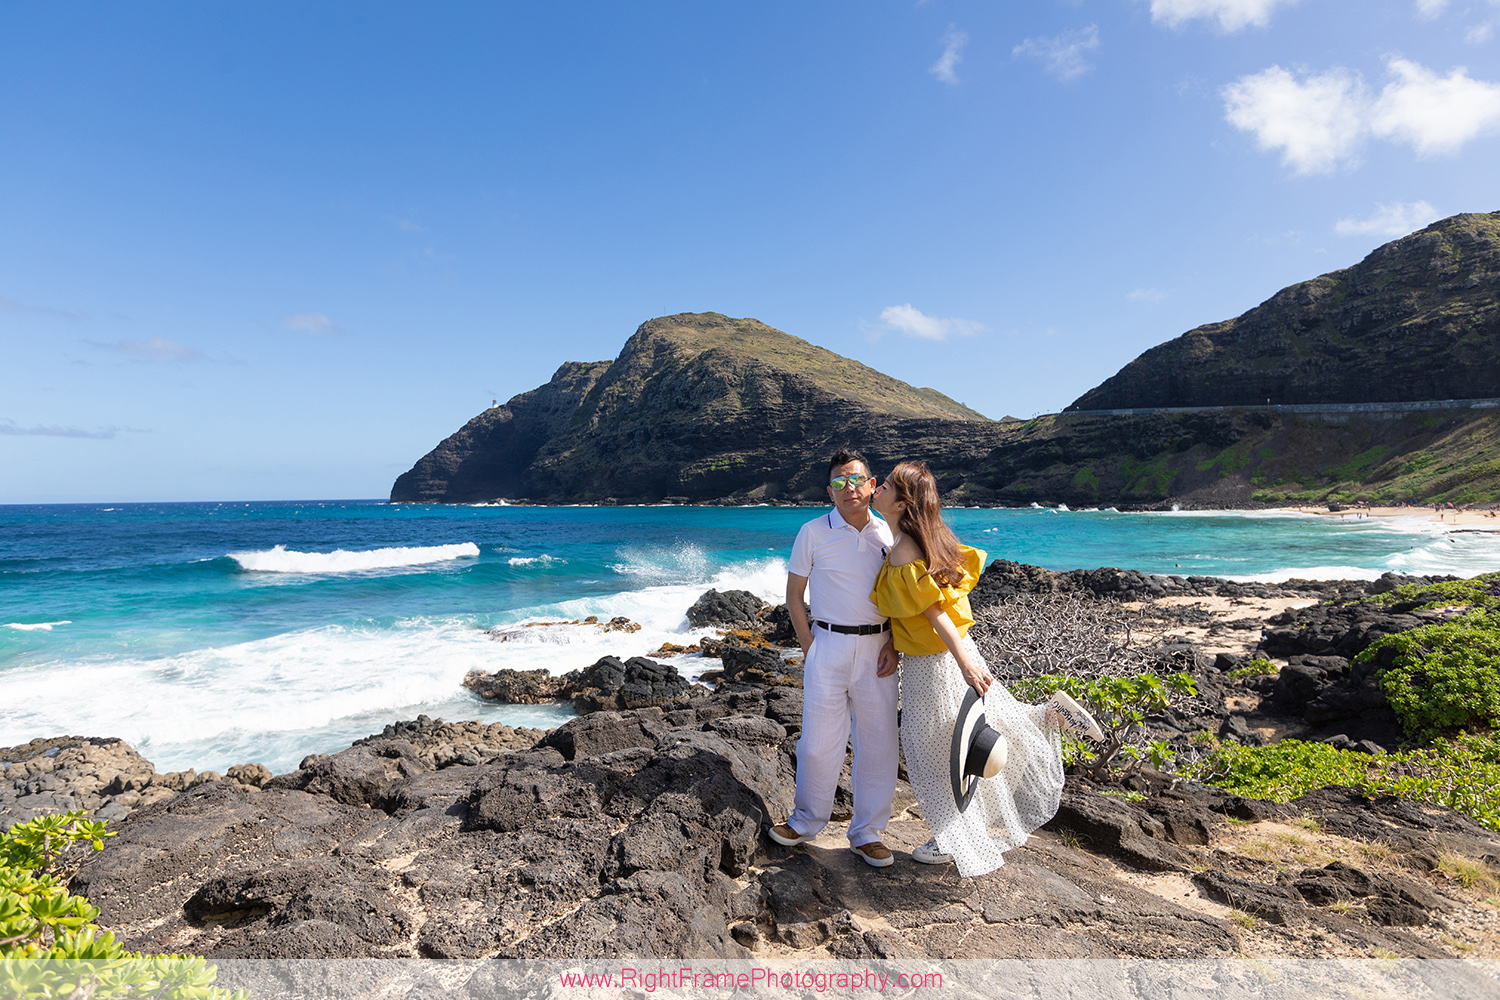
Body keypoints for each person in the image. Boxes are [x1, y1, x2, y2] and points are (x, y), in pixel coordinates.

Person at [870, 461, 1101, 877]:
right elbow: (913, 610)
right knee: (982, 728)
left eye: (885, 486)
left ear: (903, 504)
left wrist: (963, 666)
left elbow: (935, 613)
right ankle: (1047, 714)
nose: (877, 489)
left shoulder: (904, 548)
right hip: (954, 653)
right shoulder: (922, 541)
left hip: (937, 663)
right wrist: (897, 642)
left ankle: (953, 838)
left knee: (934, 752)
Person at [769, 448, 901, 868]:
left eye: (857, 480)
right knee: (818, 742)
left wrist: (895, 643)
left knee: (878, 743)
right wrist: (810, 647)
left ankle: (867, 832)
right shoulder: (812, 532)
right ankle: (805, 821)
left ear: (872, 485)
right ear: (830, 490)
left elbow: (905, 595)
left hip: (879, 649)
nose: (850, 489)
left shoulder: (889, 534)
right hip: (827, 645)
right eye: (841, 482)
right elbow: (794, 597)